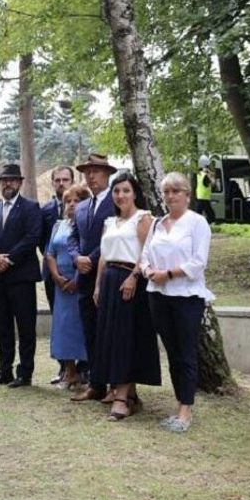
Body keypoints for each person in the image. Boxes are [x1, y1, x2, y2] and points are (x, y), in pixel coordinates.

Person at [140, 172, 215, 432]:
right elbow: (145, 255)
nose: (170, 196)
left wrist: (169, 273)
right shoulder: (157, 224)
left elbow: (198, 262)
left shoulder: (197, 223)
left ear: (187, 194)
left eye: (176, 191)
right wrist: (149, 270)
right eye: (166, 192)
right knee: (172, 352)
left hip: (186, 296)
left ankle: (186, 410)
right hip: (157, 295)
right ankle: (178, 404)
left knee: (185, 352)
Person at [92, 172, 160, 421]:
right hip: (109, 280)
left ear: (134, 193)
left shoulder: (143, 218)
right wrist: (98, 286)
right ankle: (127, 392)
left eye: (125, 190)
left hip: (130, 281)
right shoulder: (110, 222)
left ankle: (122, 397)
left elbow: (146, 252)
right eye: (116, 191)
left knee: (126, 337)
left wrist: (133, 276)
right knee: (111, 336)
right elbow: (103, 255)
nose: (121, 195)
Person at [0, 164, 42, 388]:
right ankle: (3, 370)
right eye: (4, 180)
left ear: (20, 183)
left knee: (25, 326)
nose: (8, 184)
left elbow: (32, 237)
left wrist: (9, 258)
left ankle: (25, 373)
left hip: (21, 276)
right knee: (1, 325)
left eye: (13, 180)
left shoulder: (31, 208)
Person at [66, 153, 118, 402]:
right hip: (84, 277)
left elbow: (116, 237)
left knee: (111, 330)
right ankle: (96, 383)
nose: (91, 175)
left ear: (107, 174)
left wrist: (92, 258)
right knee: (90, 331)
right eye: (87, 171)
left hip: (108, 275)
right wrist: (77, 257)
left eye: (96, 171)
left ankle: (117, 385)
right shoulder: (83, 205)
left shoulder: (117, 201)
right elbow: (72, 237)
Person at [44, 184, 91, 388]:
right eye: (68, 201)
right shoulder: (58, 225)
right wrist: (55, 276)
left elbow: (90, 254)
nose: (72, 205)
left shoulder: (88, 226)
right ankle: (69, 372)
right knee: (63, 327)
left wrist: (77, 280)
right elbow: (50, 253)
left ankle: (85, 372)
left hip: (81, 282)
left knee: (82, 326)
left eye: (77, 201)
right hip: (61, 285)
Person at [41, 165, 75, 385]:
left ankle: (82, 368)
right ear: (52, 183)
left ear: (72, 181)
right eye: (57, 180)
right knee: (59, 320)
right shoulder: (45, 211)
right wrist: (54, 269)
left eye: (65, 179)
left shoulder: (82, 207)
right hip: (52, 273)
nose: (61, 183)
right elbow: (42, 243)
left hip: (78, 275)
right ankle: (64, 367)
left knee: (77, 322)